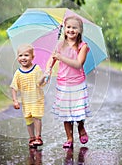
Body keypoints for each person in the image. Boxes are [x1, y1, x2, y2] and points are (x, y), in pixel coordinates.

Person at [46, 15, 91, 148]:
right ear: (64, 29)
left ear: (80, 31)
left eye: (74, 28)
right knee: (66, 112)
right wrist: (48, 69)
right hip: (63, 83)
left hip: (77, 83)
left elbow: (78, 64)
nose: (71, 30)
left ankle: (81, 128)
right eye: (68, 27)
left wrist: (61, 57)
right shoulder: (59, 45)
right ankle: (69, 138)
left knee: (78, 111)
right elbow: (52, 59)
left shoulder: (82, 46)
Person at [10, 44, 47, 148]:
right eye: (20, 55)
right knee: (28, 120)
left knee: (36, 117)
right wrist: (15, 100)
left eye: (26, 55)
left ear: (32, 57)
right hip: (26, 101)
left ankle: (38, 137)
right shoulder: (18, 73)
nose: (23, 58)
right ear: (17, 58)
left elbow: (40, 83)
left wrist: (44, 76)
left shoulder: (36, 69)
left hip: (37, 99)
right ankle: (31, 138)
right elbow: (14, 87)